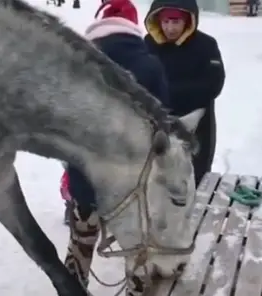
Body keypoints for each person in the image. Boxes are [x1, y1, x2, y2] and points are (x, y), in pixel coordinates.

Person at [61, 0, 170, 289]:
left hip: (85, 178)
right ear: (133, 27)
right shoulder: (150, 65)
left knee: (80, 246)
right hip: (131, 187)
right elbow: (162, 124)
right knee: (137, 253)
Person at [144, 0, 225, 187]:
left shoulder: (206, 45)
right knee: (156, 179)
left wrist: (166, 93)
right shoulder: (148, 44)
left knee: (195, 177)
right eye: (165, 22)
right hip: (157, 124)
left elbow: (213, 84)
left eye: (175, 22)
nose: (170, 28)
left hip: (198, 126)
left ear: (188, 21)